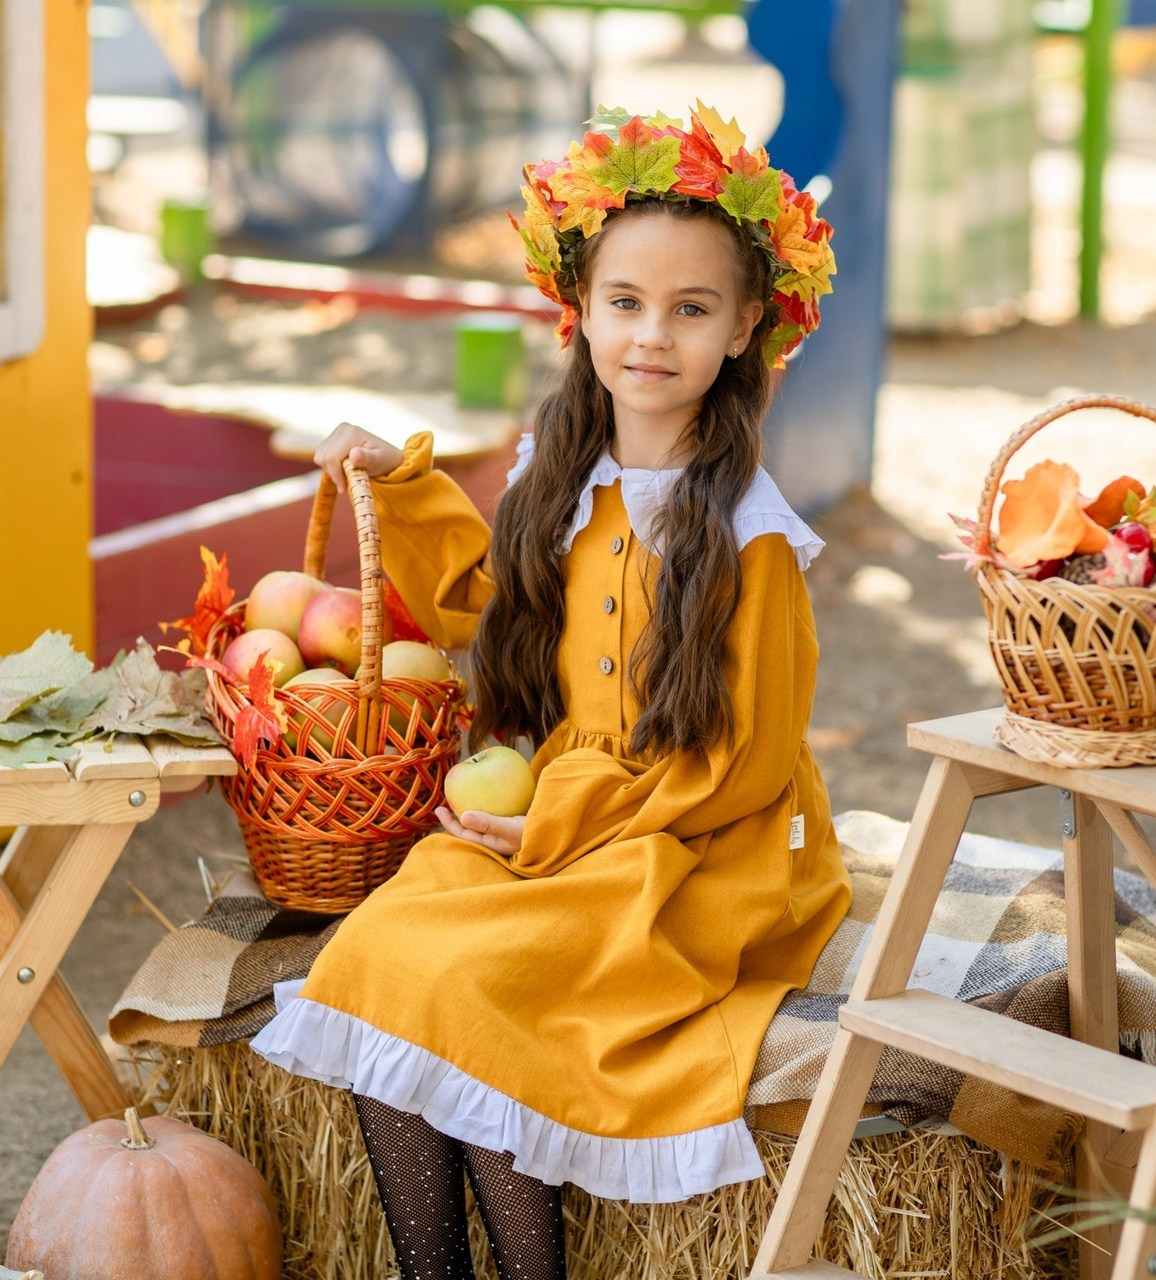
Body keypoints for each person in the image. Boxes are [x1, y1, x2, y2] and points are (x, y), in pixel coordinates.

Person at [250, 104, 850, 1280]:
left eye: (690, 309)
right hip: (555, 808)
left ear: (743, 330)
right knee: (384, 949)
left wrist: (551, 823)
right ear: (579, 315)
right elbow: (488, 602)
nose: (651, 336)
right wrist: (403, 481)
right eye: (625, 302)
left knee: (487, 983)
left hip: (689, 844)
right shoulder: (559, 475)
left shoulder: (746, 535)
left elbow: (744, 766)